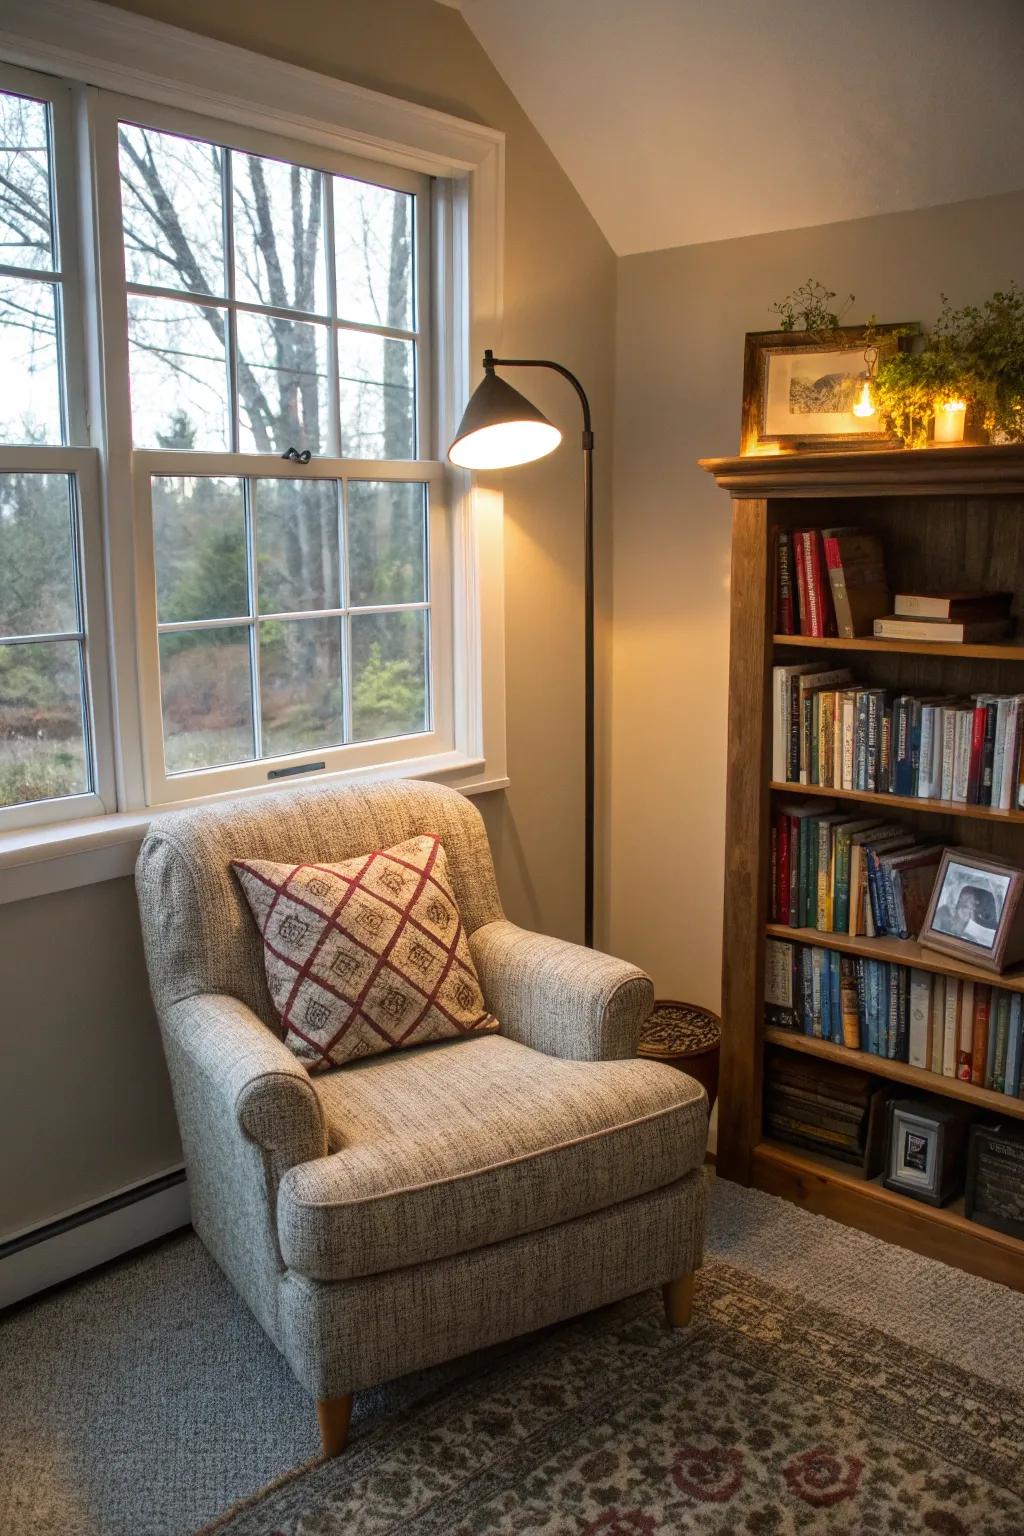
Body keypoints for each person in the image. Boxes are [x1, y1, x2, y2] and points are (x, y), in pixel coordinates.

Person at [935, 882, 1000, 947]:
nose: (971, 910)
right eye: (966, 905)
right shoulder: (942, 913)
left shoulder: (971, 936)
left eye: (972, 905)